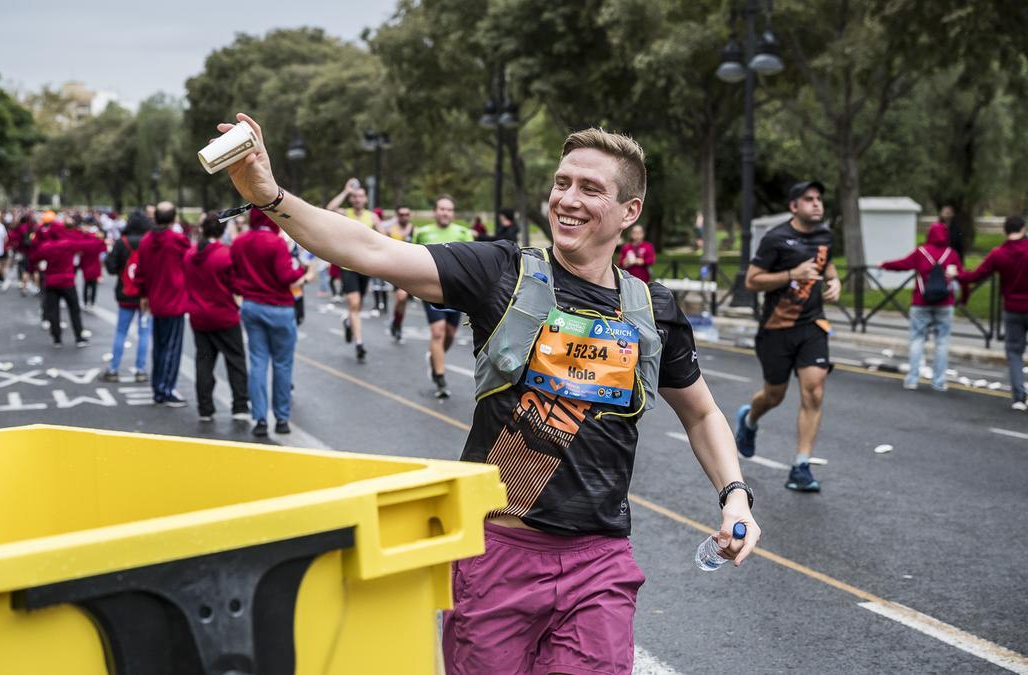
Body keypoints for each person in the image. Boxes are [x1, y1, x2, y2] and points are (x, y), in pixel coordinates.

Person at [216, 112, 759, 673]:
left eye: (590, 189)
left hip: (599, 562)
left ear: (629, 212)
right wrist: (270, 195)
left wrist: (734, 494)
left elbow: (701, 415)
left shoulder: (651, 309)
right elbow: (368, 250)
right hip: (497, 552)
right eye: (562, 183)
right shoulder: (502, 272)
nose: (567, 199)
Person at [734, 180, 841, 493]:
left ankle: (801, 466)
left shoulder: (825, 236)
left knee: (815, 390)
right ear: (794, 206)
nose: (817, 204)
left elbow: (828, 265)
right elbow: (752, 281)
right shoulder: (776, 239)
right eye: (809, 199)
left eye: (819, 199)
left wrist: (835, 283)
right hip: (776, 329)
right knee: (774, 395)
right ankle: (750, 420)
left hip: (812, 326)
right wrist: (792, 275)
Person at [231, 208, 308, 438]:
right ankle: (282, 419)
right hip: (279, 308)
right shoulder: (276, 243)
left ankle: (260, 418)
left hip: (252, 306)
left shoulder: (239, 242)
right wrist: (301, 269)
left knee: (257, 363)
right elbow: (286, 277)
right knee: (282, 365)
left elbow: (233, 276)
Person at [956, 215, 1028, 411]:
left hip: (1012, 308)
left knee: (1014, 353)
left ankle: (1019, 398)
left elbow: (976, 275)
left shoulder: (998, 254)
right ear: (1023, 229)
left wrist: (957, 275)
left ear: (1005, 231)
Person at [879, 221, 963, 391]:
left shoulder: (921, 252)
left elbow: (902, 264)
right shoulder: (951, 254)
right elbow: (961, 275)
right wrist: (964, 295)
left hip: (921, 301)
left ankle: (912, 379)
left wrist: (884, 264)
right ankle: (939, 382)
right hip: (945, 303)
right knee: (942, 342)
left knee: (917, 340)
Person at [183, 214, 250, 423]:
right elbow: (236, 285)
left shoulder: (190, 254)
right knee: (236, 361)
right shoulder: (225, 254)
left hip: (198, 316)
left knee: (203, 363)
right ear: (222, 231)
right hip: (224, 315)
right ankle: (239, 405)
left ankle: (205, 408)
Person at [411, 195, 473, 398]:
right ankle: (440, 378)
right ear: (435, 211)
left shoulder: (463, 234)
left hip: (456, 293)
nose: (445, 212)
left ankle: (434, 357)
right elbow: (411, 260)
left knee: (448, 335)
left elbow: (473, 264)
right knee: (437, 333)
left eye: (449, 209)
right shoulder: (422, 233)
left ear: (452, 213)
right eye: (441, 209)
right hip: (430, 290)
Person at [135, 202, 191, 407]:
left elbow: (140, 271)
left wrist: (143, 295)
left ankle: (158, 387)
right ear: (174, 219)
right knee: (172, 348)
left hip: (155, 300)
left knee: (158, 348)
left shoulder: (146, 241)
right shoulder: (178, 240)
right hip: (175, 301)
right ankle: (166, 389)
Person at [326, 180, 380, 362]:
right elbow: (329, 208)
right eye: (354, 196)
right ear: (351, 199)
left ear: (365, 199)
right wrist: (345, 190)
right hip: (348, 265)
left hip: (365, 266)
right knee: (355, 303)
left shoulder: (371, 217)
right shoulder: (345, 213)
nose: (357, 199)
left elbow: (384, 239)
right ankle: (359, 344)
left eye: (360, 196)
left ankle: (348, 322)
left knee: (357, 304)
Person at [30, 219, 103, 348]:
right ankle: (79, 337)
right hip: (67, 281)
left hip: (51, 282)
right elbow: (90, 245)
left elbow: (33, 258)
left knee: (54, 311)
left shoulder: (46, 246)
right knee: (74, 310)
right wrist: (91, 235)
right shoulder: (68, 244)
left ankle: (57, 339)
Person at [101, 211, 152, 383]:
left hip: (125, 294)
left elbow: (110, 267)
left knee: (121, 332)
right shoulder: (149, 241)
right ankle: (140, 370)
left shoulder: (121, 243)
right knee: (144, 333)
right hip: (145, 295)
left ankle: (114, 369)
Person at [387, 205, 416, 342]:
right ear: (397, 216)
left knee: (402, 301)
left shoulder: (413, 229)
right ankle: (396, 322)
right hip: (396, 269)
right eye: (402, 214)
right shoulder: (391, 230)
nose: (405, 217)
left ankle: (397, 322)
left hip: (411, 270)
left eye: (407, 214)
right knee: (401, 297)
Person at [79, 227, 104, 311]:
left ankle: (86, 302)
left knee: (86, 286)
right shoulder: (98, 243)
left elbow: (81, 257)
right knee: (94, 287)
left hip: (86, 267)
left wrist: (81, 266)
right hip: (95, 267)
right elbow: (104, 249)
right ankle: (92, 303)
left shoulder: (84, 244)